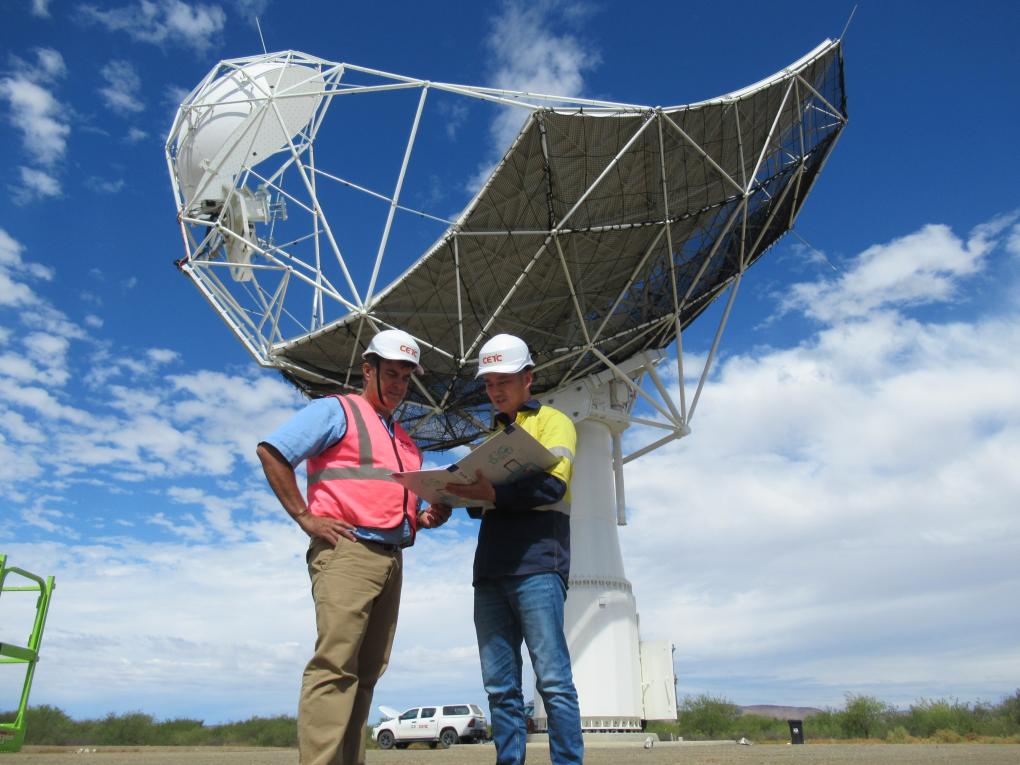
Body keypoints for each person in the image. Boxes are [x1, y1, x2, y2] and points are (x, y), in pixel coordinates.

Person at [257, 328, 450, 765]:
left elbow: (398, 505)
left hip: (391, 559)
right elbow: (273, 453)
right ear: (369, 370)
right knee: (335, 667)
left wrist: (426, 517)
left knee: (365, 675)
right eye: (392, 373)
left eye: (407, 377)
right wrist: (306, 518)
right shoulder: (336, 411)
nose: (400, 384)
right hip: (348, 552)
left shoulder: (405, 442)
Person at [446, 333, 583, 765]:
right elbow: (482, 507)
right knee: (500, 686)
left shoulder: (554, 422)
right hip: (490, 571)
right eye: (489, 383)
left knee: (553, 680)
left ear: (529, 378)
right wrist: (461, 492)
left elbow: (552, 484)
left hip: (539, 565)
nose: (495, 390)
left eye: (504, 379)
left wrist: (494, 492)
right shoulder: (492, 436)